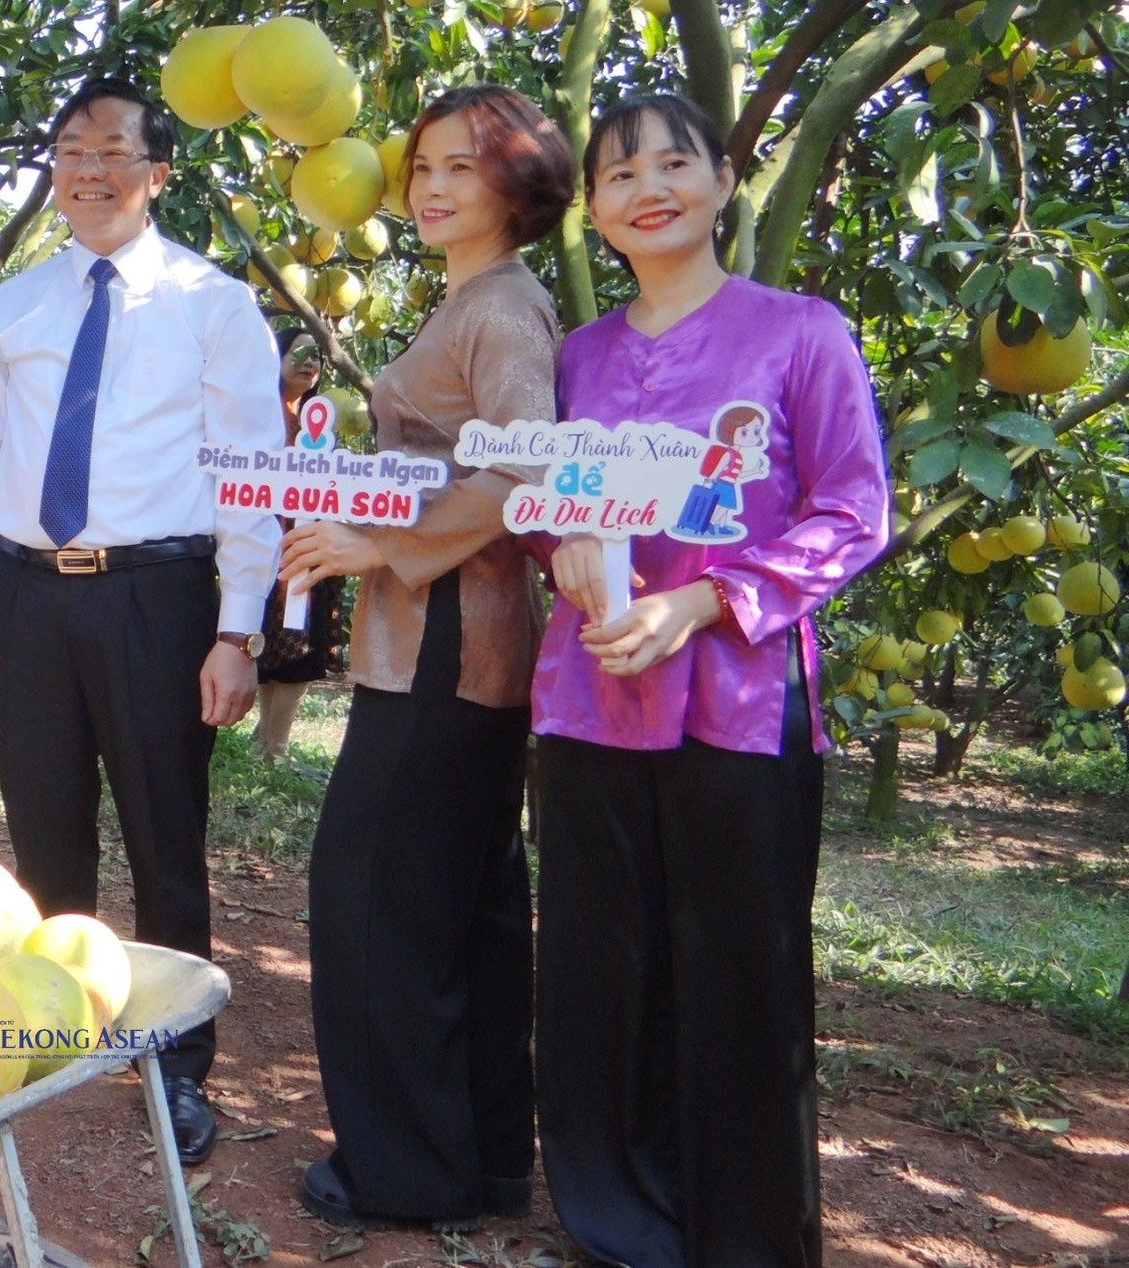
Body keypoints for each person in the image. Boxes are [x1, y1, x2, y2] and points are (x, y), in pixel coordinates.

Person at [531, 93, 887, 1268]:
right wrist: (568, 550)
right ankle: (615, 1219)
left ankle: (743, 1236)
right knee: (603, 964)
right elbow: (547, 508)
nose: (648, 187)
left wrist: (698, 600)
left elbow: (851, 510)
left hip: (738, 701)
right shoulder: (576, 356)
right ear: (592, 211)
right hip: (589, 694)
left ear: (721, 183)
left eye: (673, 163)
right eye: (619, 172)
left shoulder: (800, 333)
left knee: (738, 974)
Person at [0, 77, 281, 1166]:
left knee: (165, 833)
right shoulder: (14, 304)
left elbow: (248, 474)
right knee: (44, 830)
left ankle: (173, 1060)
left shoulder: (211, 302)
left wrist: (238, 629)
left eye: (112, 148)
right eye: (69, 148)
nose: (87, 166)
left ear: (155, 172)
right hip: (29, 593)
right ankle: (49, 1035)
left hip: (155, 596)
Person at [278, 86, 573, 1230]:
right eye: (423, 168)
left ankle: (404, 1172)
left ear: (519, 181)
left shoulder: (498, 311)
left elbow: (522, 469)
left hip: (447, 637)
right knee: (466, 902)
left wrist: (376, 543)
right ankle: (483, 1158)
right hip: (456, 638)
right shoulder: (480, 299)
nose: (434, 186)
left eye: (465, 165)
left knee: (373, 900)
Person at [251, 328, 344, 762]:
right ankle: (271, 742)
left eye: (317, 357)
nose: (310, 363)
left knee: (295, 641)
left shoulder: (318, 420)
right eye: (299, 353)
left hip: (308, 544)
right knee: (275, 643)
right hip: (266, 545)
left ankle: (273, 741)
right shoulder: (261, 414)